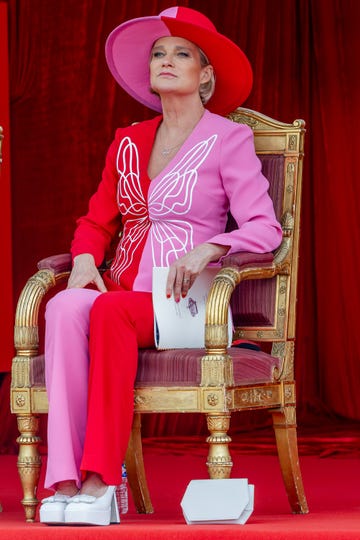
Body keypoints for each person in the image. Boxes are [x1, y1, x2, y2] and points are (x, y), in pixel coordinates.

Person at [39, 6, 283, 526]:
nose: (165, 61)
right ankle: (61, 480)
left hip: (187, 304)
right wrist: (84, 258)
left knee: (108, 314)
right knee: (62, 307)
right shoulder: (127, 140)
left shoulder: (228, 139)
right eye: (157, 53)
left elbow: (266, 228)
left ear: (205, 74)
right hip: (123, 293)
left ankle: (101, 481)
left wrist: (210, 248)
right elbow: (97, 218)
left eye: (180, 54)